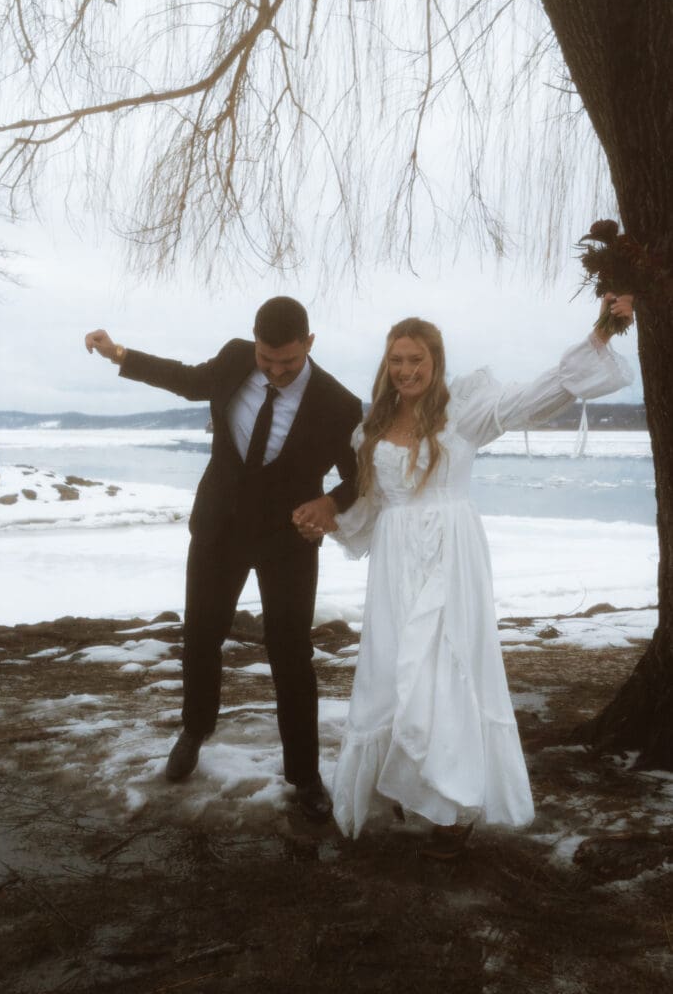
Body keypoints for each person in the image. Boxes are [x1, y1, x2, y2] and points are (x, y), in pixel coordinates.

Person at [296, 294, 635, 840]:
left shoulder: (464, 413)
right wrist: (328, 519)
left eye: (417, 360)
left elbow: (535, 397)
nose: (406, 370)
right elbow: (372, 505)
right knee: (392, 669)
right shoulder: (371, 430)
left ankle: (450, 805)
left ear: (436, 363)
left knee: (444, 669)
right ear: (387, 365)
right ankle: (406, 782)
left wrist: (601, 333)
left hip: (451, 555)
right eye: (397, 360)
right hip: (394, 562)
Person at [85, 297, 362, 821]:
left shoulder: (339, 405)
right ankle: (194, 729)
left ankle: (304, 775)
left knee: (291, 653)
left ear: (310, 343)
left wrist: (330, 502)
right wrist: (120, 353)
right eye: (267, 360)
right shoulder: (235, 359)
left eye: (288, 362)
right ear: (254, 342)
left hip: (288, 542)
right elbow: (187, 380)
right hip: (219, 530)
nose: (276, 372)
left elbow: (359, 476)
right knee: (202, 635)